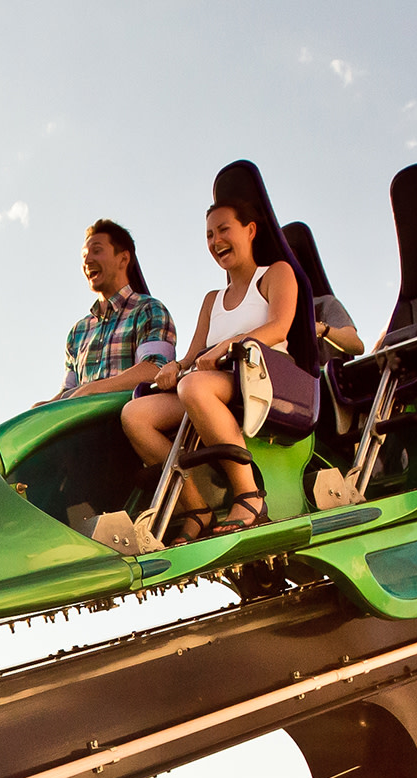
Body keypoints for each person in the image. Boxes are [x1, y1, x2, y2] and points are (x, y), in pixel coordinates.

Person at [119, 194, 299, 541]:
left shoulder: (276, 274)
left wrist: (227, 346)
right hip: (214, 382)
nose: (216, 241)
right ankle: (196, 508)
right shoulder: (211, 300)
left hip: (265, 376)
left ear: (250, 230)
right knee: (135, 415)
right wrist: (174, 366)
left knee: (195, 386)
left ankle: (249, 495)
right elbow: (192, 356)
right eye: (209, 236)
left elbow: (279, 326)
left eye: (223, 230)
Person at [53, 220, 177, 401]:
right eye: (84, 255)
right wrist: (41, 408)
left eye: (97, 251)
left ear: (123, 259)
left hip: (124, 420)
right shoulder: (77, 332)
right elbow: (67, 392)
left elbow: (156, 368)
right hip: (80, 424)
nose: (87, 260)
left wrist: (92, 390)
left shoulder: (149, 310)